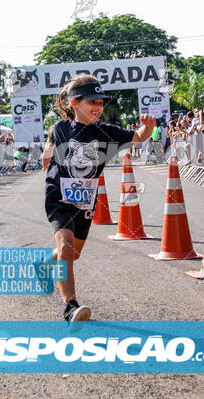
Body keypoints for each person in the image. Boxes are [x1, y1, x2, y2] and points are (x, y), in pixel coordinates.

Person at [42, 74, 156, 322]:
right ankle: (70, 306)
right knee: (66, 246)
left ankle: (42, 264)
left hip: (85, 201)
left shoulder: (106, 132)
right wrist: (47, 157)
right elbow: (50, 146)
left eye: (101, 103)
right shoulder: (61, 129)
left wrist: (148, 127)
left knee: (74, 253)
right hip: (58, 197)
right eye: (92, 102)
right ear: (74, 103)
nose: (98, 108)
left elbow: (138, 137)